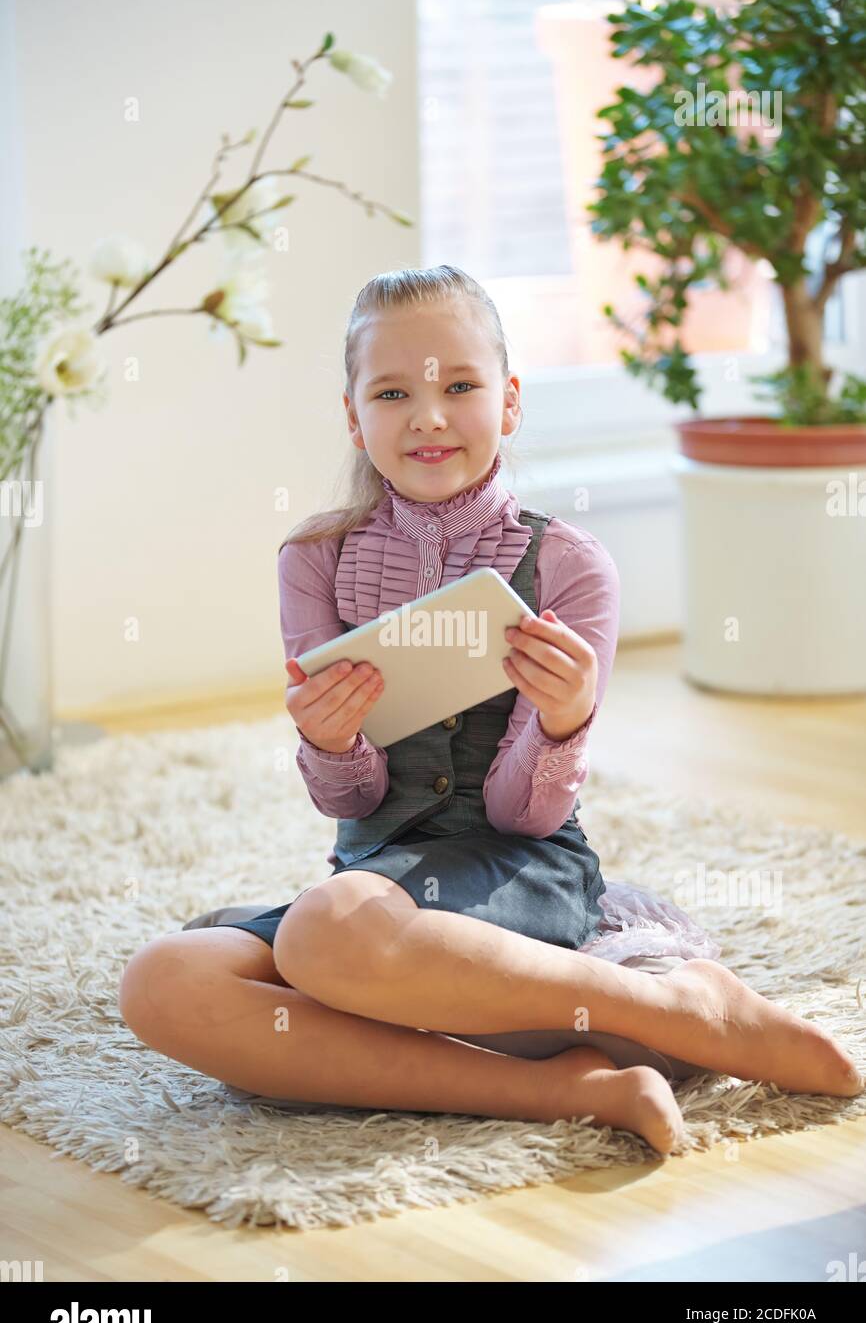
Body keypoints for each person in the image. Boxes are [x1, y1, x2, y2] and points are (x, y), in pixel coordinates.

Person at [119, 266, 862, 1158]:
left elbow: (524, 816)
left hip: (525, 870)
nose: (428, 417)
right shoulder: (315, 559)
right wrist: (329, 739)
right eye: (392, 393)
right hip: (375, 893)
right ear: (354, 417)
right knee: (165, 981)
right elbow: (349, 803)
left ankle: (677, 1008)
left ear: (509, 402)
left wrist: (562, 721)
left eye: (460, 386)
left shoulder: (568, 564)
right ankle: (571, 1085)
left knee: (327, 932)